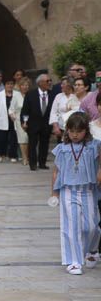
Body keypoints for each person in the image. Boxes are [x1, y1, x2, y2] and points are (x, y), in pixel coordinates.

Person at [50, 112, 101, 275]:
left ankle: (92, 249)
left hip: (89, 190)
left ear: (86, 130)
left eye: (79, 131)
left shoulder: (94, 146)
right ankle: (74, 261)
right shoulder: (62, 149)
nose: (75, 135)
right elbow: (56, 172)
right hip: (68, 191)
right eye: (71, 131)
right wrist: (55, 193)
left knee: (91, 226)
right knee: (71, 226)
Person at [23, 74, 55, 170]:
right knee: (32, 144)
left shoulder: (52, 94)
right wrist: (24, 122)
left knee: (44, 144)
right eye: (47, 81)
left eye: (50, 80)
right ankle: (32, 164)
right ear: (40, 83)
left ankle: (42, 163)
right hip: (33, 123)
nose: (49, 83)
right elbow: (25, 110)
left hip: (46, 123)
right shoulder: (31, 94)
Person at [0, 77, 16, 163]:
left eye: (11, 84)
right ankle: (0, 154)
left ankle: (12, 155)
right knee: (1, 139)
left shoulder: (17, 94)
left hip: (13, 119)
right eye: (8, 84)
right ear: (4, 85)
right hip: (2, 118)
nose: (10, 86)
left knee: (13, 139)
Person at [10, 77, 29, 167]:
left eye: (26, 85)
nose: (25, 87)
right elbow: (11, 109)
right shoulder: (16, 96)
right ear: (20, 86)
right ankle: (24, 157)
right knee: (22, 139)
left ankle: (29, 157)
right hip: (19, 120)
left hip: (30, 120)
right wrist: (13, 116)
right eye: (23, 85)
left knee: (29, 139)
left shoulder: (31, 95)